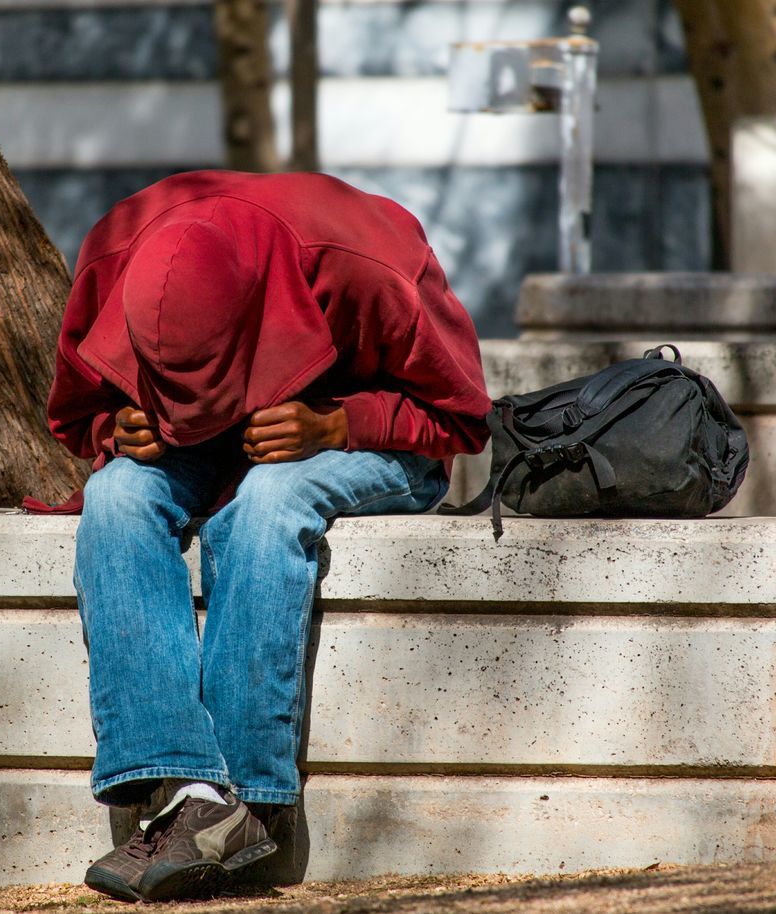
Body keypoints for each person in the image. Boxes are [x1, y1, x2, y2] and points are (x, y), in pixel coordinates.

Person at [38, 170, 491, 902]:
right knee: (115, 493)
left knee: (267, 502)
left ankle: (248, 799)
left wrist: (338, 426)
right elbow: (77, 414)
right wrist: (114, 427)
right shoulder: (110, 254)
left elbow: (463, 418)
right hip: (216, 454)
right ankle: (178, 781)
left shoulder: (363, 265)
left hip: (363, 441)